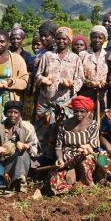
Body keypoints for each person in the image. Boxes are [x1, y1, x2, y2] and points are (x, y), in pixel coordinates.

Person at [34, 26, 84, 159]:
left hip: (66, 102)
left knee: (63, 131)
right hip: (46, 102)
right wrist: (43, 79)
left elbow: (80, 79)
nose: (61, 41)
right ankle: (42, 158)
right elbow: (37, 75)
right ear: (55, 40)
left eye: (64, 39)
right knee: (42, 132)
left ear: (70, 41)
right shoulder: (48, 56)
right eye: (58, 38)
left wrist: (71, 84)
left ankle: (61, 158)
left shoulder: (75, 59)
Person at [0, 101, 39, 194]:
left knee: (22, 155)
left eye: (16, 112)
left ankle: (19, 184)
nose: (13, 115)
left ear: (20, 114)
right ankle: (7, 190)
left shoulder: (28, 128)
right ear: (5, 113)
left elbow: (35, 151)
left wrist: (26, 146)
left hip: (18, 165)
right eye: (10, 112)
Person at [49, 96, 100, 194]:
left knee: (86, 162)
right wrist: (60, 159)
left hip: (85, 155)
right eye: (76, 111)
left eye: (82, 111)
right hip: (67, 158)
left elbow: (92, 145)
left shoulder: (93, 125)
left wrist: (84, 149)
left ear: (87, 112)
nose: (79, 114)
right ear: (72, 110)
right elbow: (59, 146)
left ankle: (85, 183)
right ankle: (71, 183)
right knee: (55, 180)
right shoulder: (63, 125)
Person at [78, 25, 109, 114]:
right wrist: (89, 83)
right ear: (91, 38)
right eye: (94, 37)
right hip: (85, 94)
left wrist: (105, 84)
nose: (97, 40)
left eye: (100, 38)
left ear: (104, 40)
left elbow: (110, 75)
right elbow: (78, 75)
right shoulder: (83, 54)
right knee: (85, 120)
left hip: (102, 95)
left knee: (100, 119)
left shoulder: (108, 55)